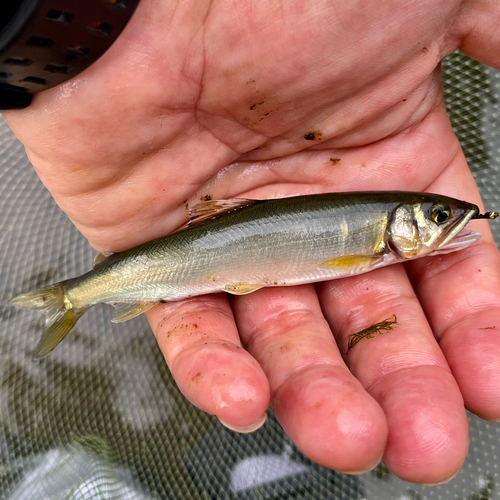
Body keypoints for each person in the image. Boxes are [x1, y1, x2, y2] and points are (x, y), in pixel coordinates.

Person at [5, 0, 500, 485]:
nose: (445, 222)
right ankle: (73, 297)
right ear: (401, 225)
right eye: (437, 217)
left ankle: (75, 296)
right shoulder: (369, 249)